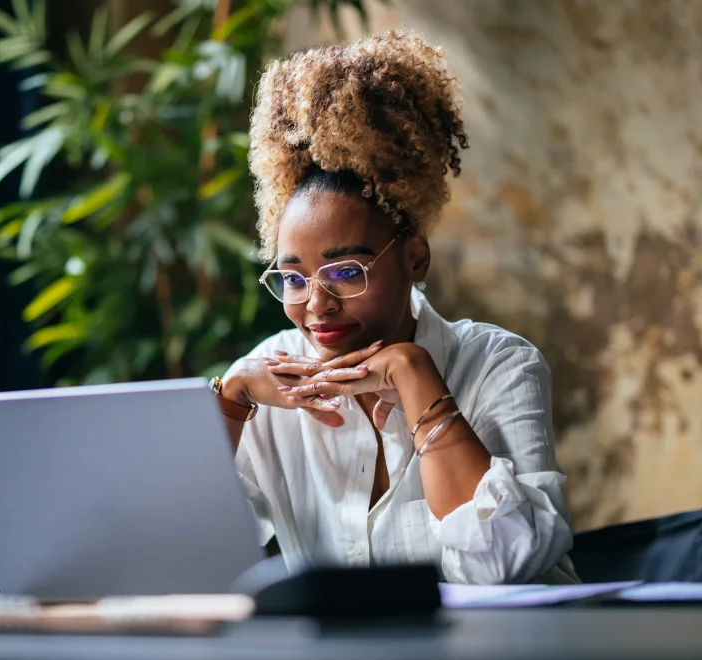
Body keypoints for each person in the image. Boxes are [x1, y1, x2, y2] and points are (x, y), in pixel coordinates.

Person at [210, 31, 579, 584]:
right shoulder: (273, 378)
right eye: (293, 278)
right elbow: (171, 555)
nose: (317, 304)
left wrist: (414, 377)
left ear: (414, 257)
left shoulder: (501, 367)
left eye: (345, 271)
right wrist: (232, 401)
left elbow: (506, 567)